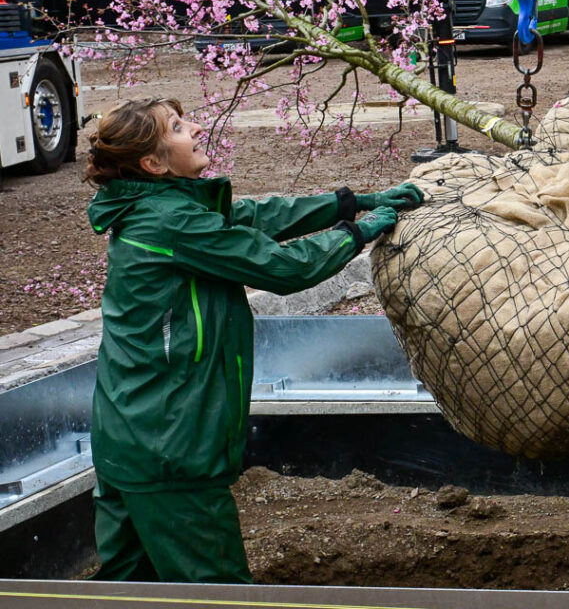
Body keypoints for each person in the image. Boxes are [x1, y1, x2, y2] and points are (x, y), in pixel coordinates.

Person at [85, 97, 422, 582]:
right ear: (152, 163)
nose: (198, 127)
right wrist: (356, 233)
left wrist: (349, 202)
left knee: (129, 585)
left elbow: (253, 217)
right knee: (215, 589)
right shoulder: (171, 222)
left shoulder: (154, 208)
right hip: (171, 446)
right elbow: (283, 268)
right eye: (179, 127)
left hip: (129, 438)